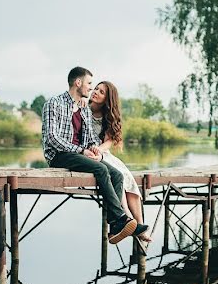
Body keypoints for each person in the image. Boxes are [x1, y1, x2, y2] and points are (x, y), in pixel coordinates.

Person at [42, 67, 148, 244]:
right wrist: (81, 151)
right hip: (59, 155)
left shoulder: (83, 109)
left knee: (116, 174)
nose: (91, 88)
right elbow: (52, 138)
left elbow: (90, 137)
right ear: (78, 83)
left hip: (80, 155)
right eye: (90, 83)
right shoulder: (54, 103)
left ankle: (115, 226)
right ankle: (119, 219)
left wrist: (94, 150)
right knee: (100, 170)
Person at [88, 81, 151, 242]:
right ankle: (129, 220)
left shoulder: (107, 117)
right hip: (88, 154)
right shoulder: (83, 110)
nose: (95, 92)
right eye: (96, 88)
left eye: (101, 92)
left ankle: (139, 225)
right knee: (119, 177)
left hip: (102, 152)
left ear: (107, 99)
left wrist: (99, 150)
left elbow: (109, 141)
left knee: (129, 181)